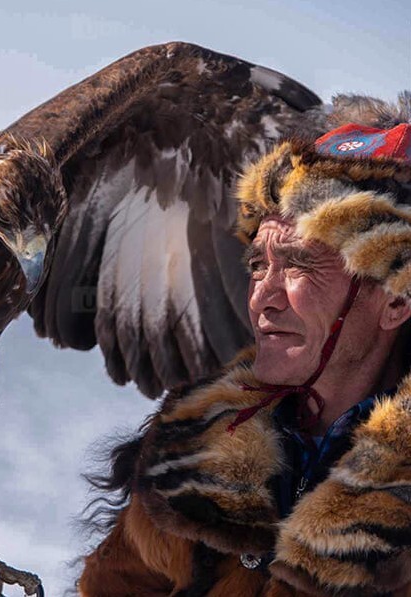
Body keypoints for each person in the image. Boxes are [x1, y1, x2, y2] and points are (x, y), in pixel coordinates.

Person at [78, 122, 411, 596]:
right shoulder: (198, 441)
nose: (262, 299)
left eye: (299, 265)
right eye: (258, 265)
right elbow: (115, 585)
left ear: (396, 299)